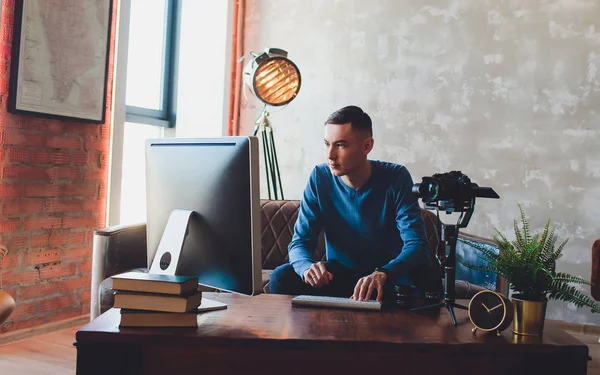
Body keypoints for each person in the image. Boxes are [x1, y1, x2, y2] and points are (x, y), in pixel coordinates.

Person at [269, 105, 431, 303]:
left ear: (366, 146)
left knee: (422, 280)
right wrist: (306, 268)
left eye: (341, 145)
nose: (330, 155)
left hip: (386, 278)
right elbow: (300, 242)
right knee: (281, 277)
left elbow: (417, 245)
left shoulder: (396, 177)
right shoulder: (320, 177)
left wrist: (384, 273)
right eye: (327, 144)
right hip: (341, 278)